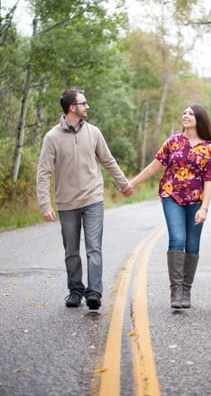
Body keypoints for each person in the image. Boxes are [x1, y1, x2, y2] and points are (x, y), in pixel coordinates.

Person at [36, 89, 133, 310]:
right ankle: (75, 290)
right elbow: (43, 173)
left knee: (93, 247)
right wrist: (45, 204)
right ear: (72, 108)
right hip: (66, 203)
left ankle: (94, 292)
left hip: (93, 199)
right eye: (83, 103)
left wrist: (124, 185)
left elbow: (108, 161)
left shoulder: (94, 132)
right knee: (71, 251)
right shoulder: (52, 137)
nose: (87, 106)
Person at [129, 103, 211, 309]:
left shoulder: (209, 147)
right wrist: (132, 183)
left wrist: (204, 207)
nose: (185, 115)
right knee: (177, 239)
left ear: (200, 120)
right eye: (184, 112)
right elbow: (155, 166)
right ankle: (176, 291)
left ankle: (186, 290)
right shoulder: (173, 142)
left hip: (196, 200)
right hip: (172, 196)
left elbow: (210, 179)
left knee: (193, 244)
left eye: (190, 113)